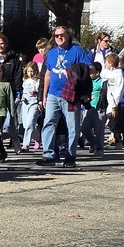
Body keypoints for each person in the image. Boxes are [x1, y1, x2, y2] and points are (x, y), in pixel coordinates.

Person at [36, 26, 92, 167]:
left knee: (72, 127)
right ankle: (48, 156)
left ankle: (70, 156)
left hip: (70, 95)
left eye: (62, 35)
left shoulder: (77, 51)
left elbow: (90, 68)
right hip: (53, 95)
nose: (59, 38)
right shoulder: (51, 53)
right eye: (56, 36)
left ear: (68, 35)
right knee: (48, 123)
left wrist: (78, 69)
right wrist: (44, 96)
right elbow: (47, 74)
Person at [80, 63, 106, 156]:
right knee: (84, 128)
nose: (89, 73)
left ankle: (99, 148)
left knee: (98, 131)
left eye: (91, 71)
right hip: (89, 108)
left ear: (97, 73)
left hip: (99, 108)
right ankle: (93, 143)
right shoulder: (87, 81)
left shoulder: (102, 82)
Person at [100, 54, 124, 149]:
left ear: (110, 63)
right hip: (106, 102)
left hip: (114, 103)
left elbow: (119, 90)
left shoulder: (119, 75)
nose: (105, 64)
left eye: (106, 62)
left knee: (113, 123)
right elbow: (102, 75)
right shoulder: (107, 73)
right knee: (108, 123)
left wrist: (115, 105)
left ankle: (119, 142)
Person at [19, 61, 42, 152]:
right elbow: (23, 91)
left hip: (34, 103)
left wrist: (35, 92)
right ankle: (38, 138)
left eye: (32, 71)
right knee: (26, 125)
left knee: (30, 123)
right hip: (25, 103)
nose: (30, 73)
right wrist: (22, 97)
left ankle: (25, 144)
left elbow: (40, 91)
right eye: (29, 71)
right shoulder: (25, 80)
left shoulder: (38, 81)